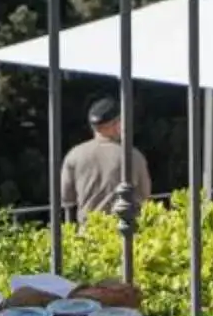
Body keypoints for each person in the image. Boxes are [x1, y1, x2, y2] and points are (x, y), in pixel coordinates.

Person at [59, 94, 153, 222]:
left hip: (87, 233)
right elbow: (144, 197)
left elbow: (67, 201)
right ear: (117, 124)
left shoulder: (74, 155)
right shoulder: (133, 156)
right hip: (124, 233)